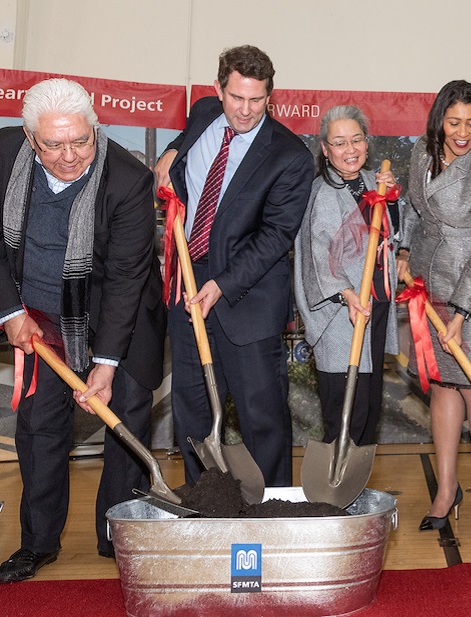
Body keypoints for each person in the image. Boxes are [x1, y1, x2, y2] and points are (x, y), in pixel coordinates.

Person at [0, 78, 165, 581]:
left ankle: (117, 534)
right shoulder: (2, 154)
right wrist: (10, 312)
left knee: (126, 427)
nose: (70, 155)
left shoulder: (127, 178)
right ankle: (38, 542)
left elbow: (125, 278)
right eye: (54, 144)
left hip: (116, 314)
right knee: (39, 429)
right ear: (32, 138)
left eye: (81, 140)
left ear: (94, 128)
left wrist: (106, 364)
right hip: (38, 315)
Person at [154, 45, 313, 486]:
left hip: (246, 292)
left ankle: (276, 509)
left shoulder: (290, 156)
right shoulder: (204, 111)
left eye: (257, 99)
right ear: (218, 89)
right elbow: (184, 143)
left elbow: (275, 237)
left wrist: (223, 284)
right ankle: (206, 504)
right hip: (188, 283)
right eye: (237, 97)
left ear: (270, 96)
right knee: (193, 411)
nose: (245, 110)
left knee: (261, 415)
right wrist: (171, 151)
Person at [397, 80, 471, 550]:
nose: (462, 133)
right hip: (430, 283)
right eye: (453, 122)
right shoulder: (422, 155)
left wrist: (462, 312)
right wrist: (404, 251)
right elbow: (412, 208)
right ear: (439, 120)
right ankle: (447, 490)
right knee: (444, 384)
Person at [294, 105, 399, 445]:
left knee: (367, 406)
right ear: (325, 149)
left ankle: (360, 490)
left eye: (357, 140)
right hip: (341, 314)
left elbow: (395, 237)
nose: (350, 149)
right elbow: (316, 259)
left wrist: (393, 201)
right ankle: (334, 492)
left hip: (376, 308)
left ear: (367, 144)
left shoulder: (374, 183)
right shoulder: (322, 194)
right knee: (344, 410)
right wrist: (346, 292)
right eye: (339, 143)